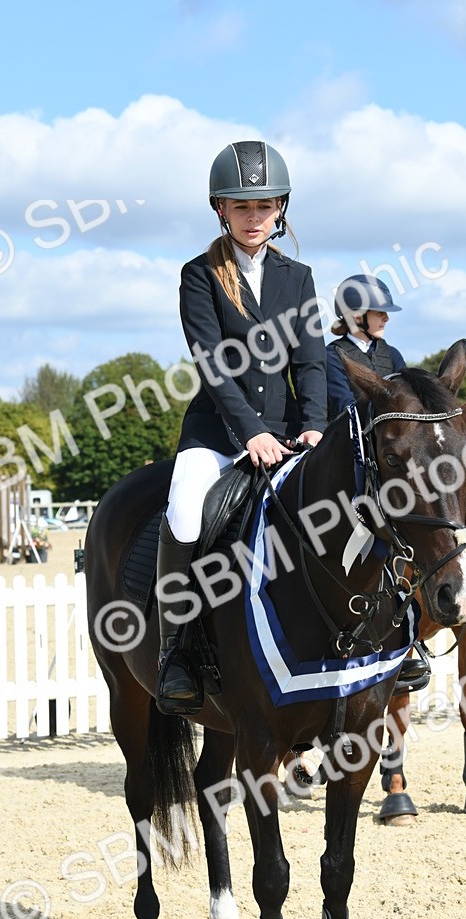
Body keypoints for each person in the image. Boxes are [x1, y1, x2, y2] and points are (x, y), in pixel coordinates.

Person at [156, 139, 327, 712]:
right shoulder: (199, 275)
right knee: (184, 510)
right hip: (216, 433)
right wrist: (249, 431)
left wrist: (315, 426)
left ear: (280, 208)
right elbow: (211, 361)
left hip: (286, 435)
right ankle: (176, 649)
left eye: (264, 206)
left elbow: (309, 360)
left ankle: (381, 636)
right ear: (220, 209)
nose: (253, 218)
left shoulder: (297, 277)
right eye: (241, 206)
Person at [325, 274, 406, 419]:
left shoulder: (392, 354)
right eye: (380, 313)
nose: (386, 318)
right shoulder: (332, 356)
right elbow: (343, 406)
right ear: (357, 316)